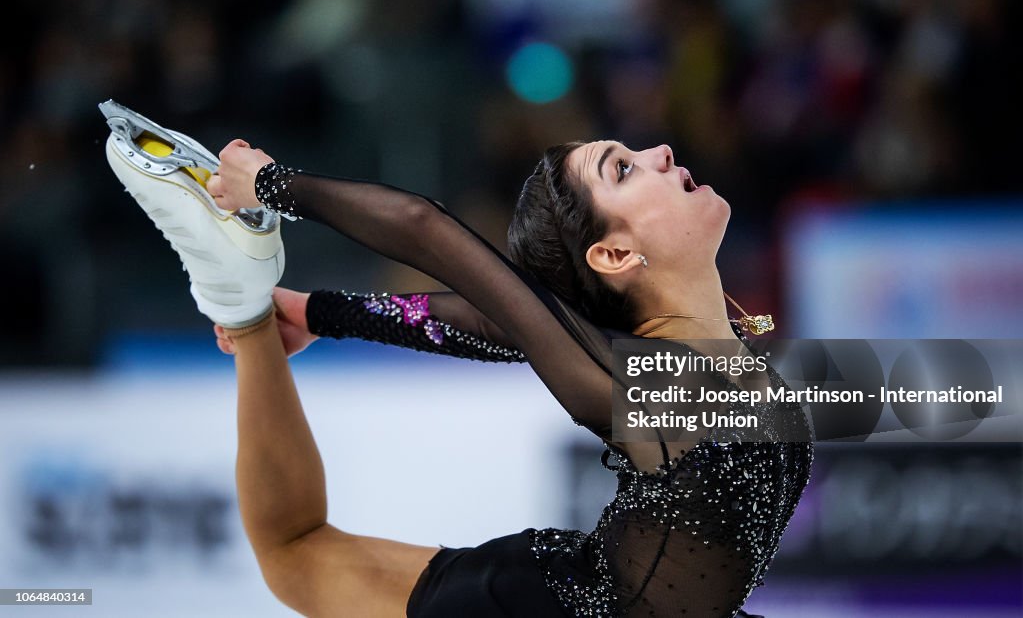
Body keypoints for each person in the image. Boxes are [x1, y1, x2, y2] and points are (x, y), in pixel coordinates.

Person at [111, 134, 812, 617]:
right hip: (542, 604)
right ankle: (240, 302)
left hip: (590, 588)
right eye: (623, 170)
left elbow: (521, 331)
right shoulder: (661, 392)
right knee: (294, 552)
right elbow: (425, 229)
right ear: (614, 253)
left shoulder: (687, 373)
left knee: (296, 557)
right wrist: (267, 182)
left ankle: (249, 306)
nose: (660, 151)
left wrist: (328, 311)